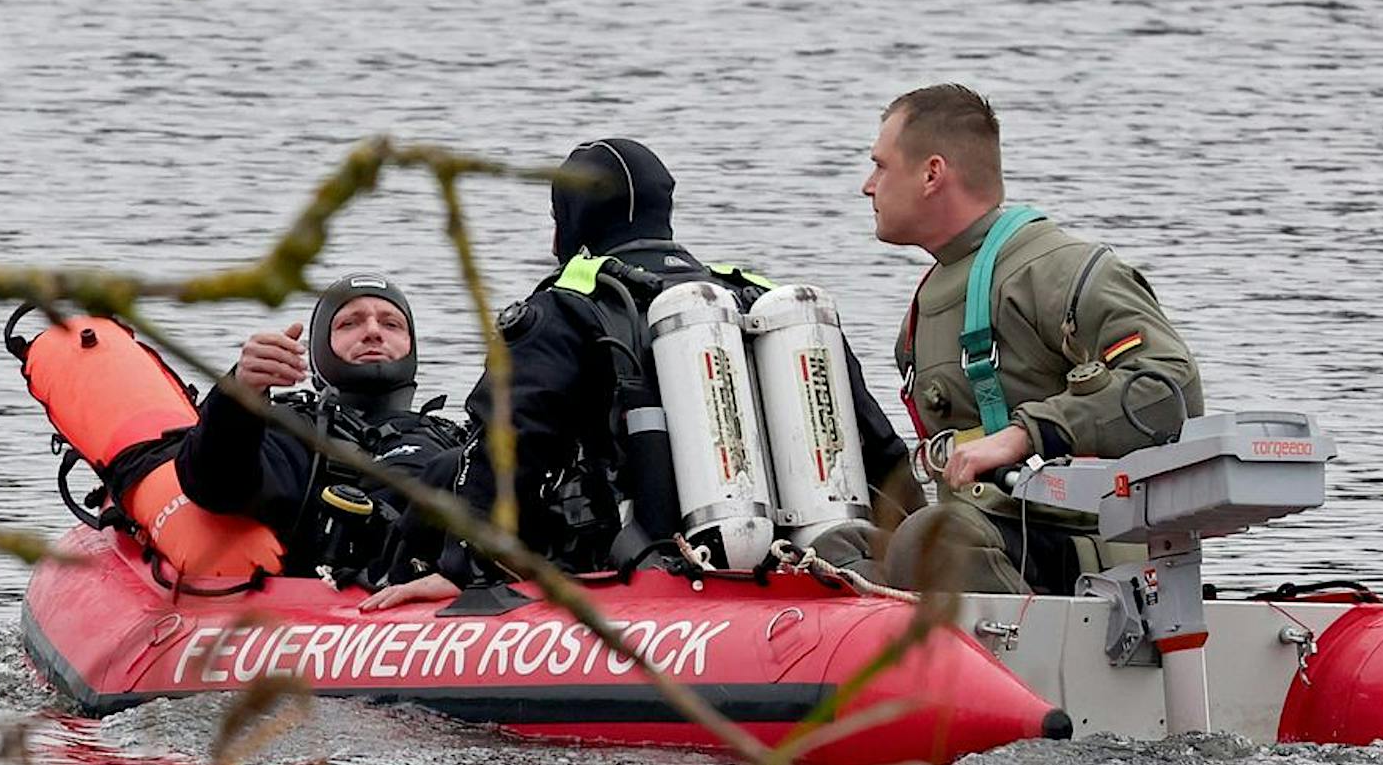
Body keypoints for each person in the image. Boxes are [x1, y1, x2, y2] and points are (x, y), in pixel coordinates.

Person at [364, 138, 919, 610]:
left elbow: (509, 439)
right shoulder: (756, 296)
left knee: (439, 473)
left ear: (571, 219)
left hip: (633, 565)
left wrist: (464, 565)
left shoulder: (568, 305)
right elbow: (870, 437)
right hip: (795, 553)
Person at [864, 84, 1205, 595]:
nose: (868, 186)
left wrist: (1027, 434)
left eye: (881, 166)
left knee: (933, 541)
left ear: (932, 174)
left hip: (1082, 551)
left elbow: (1169, 388)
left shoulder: (1055, 272)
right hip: (990, 539)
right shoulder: (924, 311)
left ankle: (1027, 664)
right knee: (842, 545)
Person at [174, 272, 465, 585]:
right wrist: (240, 392)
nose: (372, 332)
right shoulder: (291, 430)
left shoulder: (451, 437)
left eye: (391, 324)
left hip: (448, 596)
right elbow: (217, 485)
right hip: (327, 604)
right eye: (349, 323)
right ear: (319, 348)